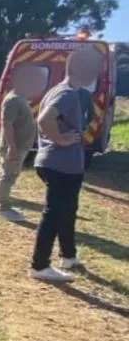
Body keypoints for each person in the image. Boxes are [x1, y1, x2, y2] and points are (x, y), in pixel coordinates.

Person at [28, 47, 102, 282]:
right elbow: (44, 119)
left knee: (67, 211)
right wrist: (60, 139)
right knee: (55, 213)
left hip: (61, 163)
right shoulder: (68, 94)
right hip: (61, 163)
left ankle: (68, 256)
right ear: (87, 71)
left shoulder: (60, 90)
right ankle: (39, 266)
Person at [0, 66, 39, 222]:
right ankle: (3, 208)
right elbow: (7, 124)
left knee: (5, 174)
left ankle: (1, 202)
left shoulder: (19, 98)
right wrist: (12, 147)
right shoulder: (13, 100)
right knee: (8, 176)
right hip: (14, 146)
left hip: (18, 145)